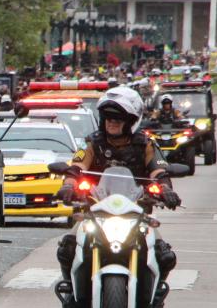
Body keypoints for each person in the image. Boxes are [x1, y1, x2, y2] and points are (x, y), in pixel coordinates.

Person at [55, 87, 179, 288]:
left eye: (118, 118)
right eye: (108, 118)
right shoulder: (92, 143)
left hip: (137, 212)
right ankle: (70, 287)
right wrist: (68, 187)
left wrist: (166, 190)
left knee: (164, 255)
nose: (112, 122)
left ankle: (155, 292)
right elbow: (76, 167)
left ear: (131, 121)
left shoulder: (146, 144)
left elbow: (159, 172)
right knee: (67, 247)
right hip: (96, 211)